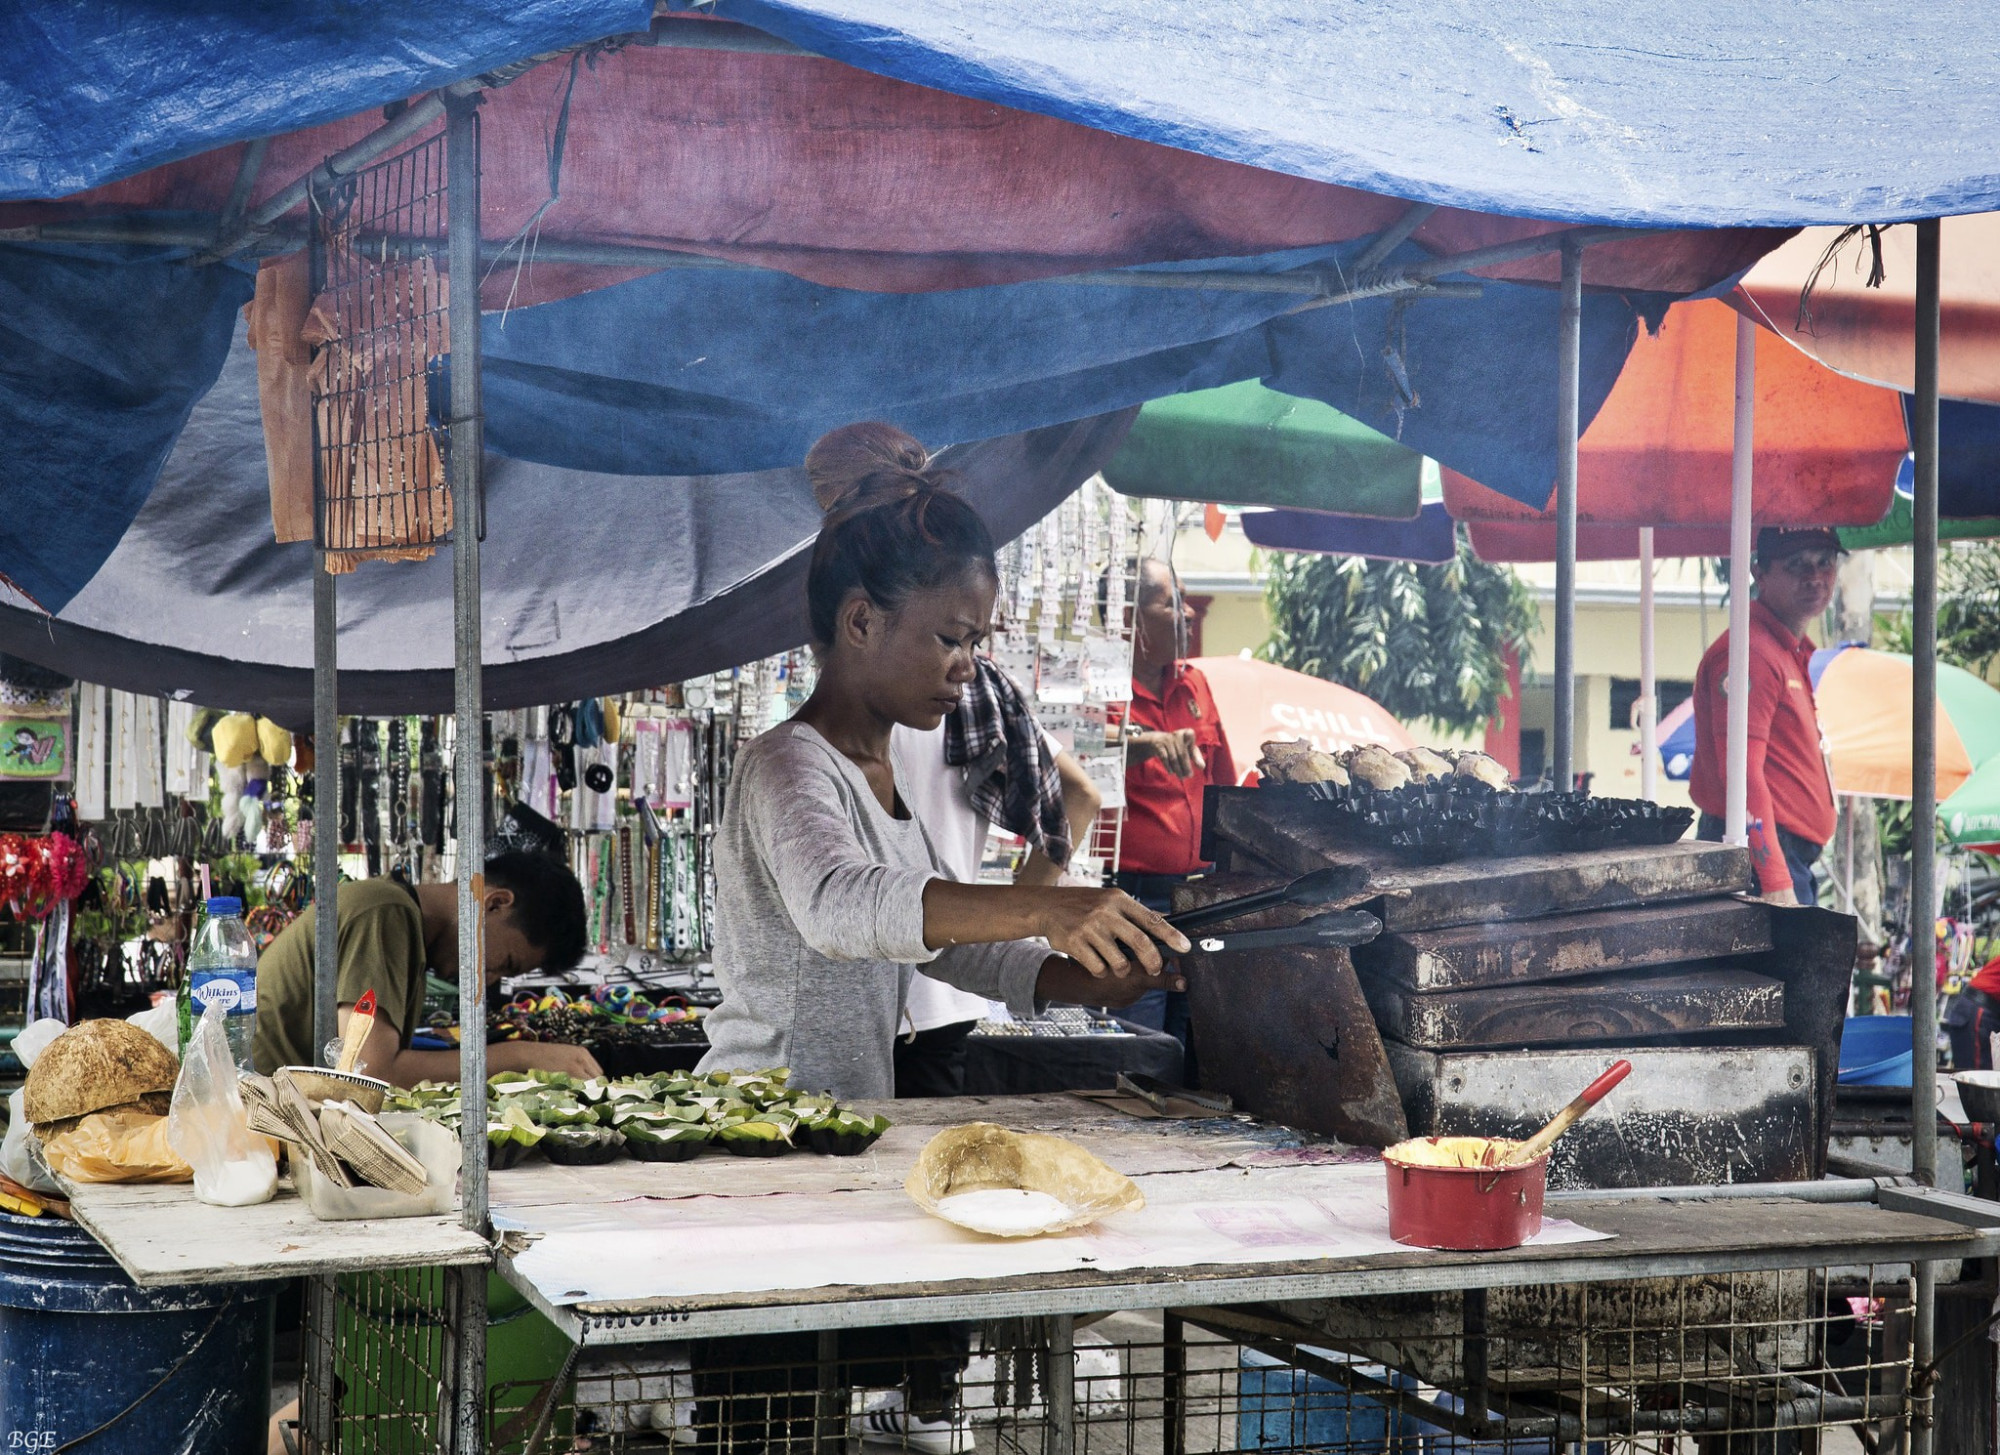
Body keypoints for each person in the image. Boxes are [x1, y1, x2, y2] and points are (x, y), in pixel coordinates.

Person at [695, 421, 1181, 1455]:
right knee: (766, 1427)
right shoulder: (789, 766)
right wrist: (1045, 905)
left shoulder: (883, 781)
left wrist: (1086, 972)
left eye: (979, 641)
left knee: (822, 1413)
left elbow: (943, 945)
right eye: (950, 638)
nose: (968, 666)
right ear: (861, 620)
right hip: (761, 1150)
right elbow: (839, 905)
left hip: (837, 1146)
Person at [891, 658, 1103, 1096]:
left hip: (938, 982)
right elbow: (1081, 795)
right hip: (930, 991)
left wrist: (1025, 916)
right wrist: (1024, 917)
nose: (962, 656)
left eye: (968, 640)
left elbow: (1080, 796)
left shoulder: (970, 697)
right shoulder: (976, 700)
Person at [251, 850, 602, 1086]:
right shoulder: (386, 914)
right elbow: (370, 1072)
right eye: (504, 965)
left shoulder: (401, 923)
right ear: (495, 903)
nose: (488, 979)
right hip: (252, 1128)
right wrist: (522, 1055)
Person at [1113, 557, 1236, 1059]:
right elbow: (1075, 755)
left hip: (1200, 898)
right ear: (1132, 618)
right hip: (1136, 900)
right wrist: (1143, 744)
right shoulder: (1106, 689)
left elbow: (1225, 784)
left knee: (1197, 1046)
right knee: (1139, 1049)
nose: (1188, 614)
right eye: (1171, 602)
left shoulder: (1196, 685)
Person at [1688, 527, 1841, 905]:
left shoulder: (1781, 647)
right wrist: (1774, 878)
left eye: (1825, 562)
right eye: (1796, 565)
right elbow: (1741, 772)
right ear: (1759, 573)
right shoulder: (1752, 652)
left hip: (1782, 856)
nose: (1815, 577)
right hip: (1759, 858)